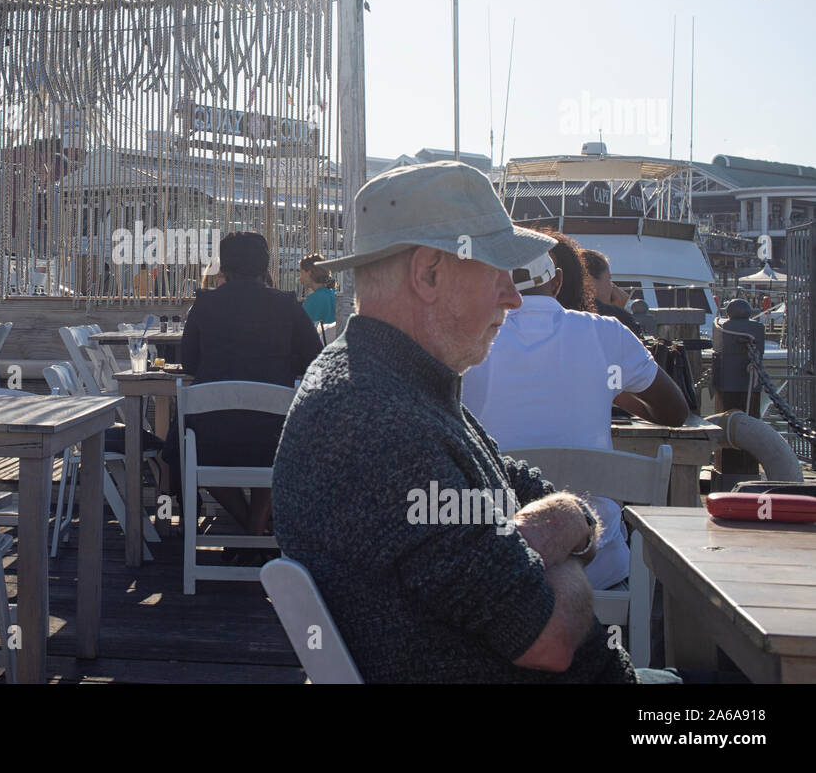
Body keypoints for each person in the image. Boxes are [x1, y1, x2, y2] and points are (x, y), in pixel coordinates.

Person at [273, 161, 645, 683]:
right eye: (499, 270)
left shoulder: (394, 383)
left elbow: (512, 481)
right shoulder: (379, 422)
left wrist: (557, 524)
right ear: (428, 273)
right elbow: (550, 640)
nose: (514, 297)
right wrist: (568, 528)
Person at [461, 249, 690, 591]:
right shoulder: (606, 333)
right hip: (600, 565)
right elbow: (675, 412)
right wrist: (612, 389)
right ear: (557, 282)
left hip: (502, 571)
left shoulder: (466, 340)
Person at [171, 231, 321, 545]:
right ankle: (259, 536)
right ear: (265, 265)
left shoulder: (205, 303)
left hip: (213, 435)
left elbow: (188, 364)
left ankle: (252, 534)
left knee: (184, 451)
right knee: (277, 451)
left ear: (223, 267)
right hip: (271, 437)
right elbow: (314, 359)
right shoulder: (286, 304)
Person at [582, 249, 641, 336]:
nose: (613, 287)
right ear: (589, 281)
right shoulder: (619, 317)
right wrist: (616, 313)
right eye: (609, 279)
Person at [299, 253, 336, 342]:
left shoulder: (312, 300)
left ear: (309, 273)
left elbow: (302, 331)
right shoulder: (335, 295)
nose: (300, 278)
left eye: (301, 273)